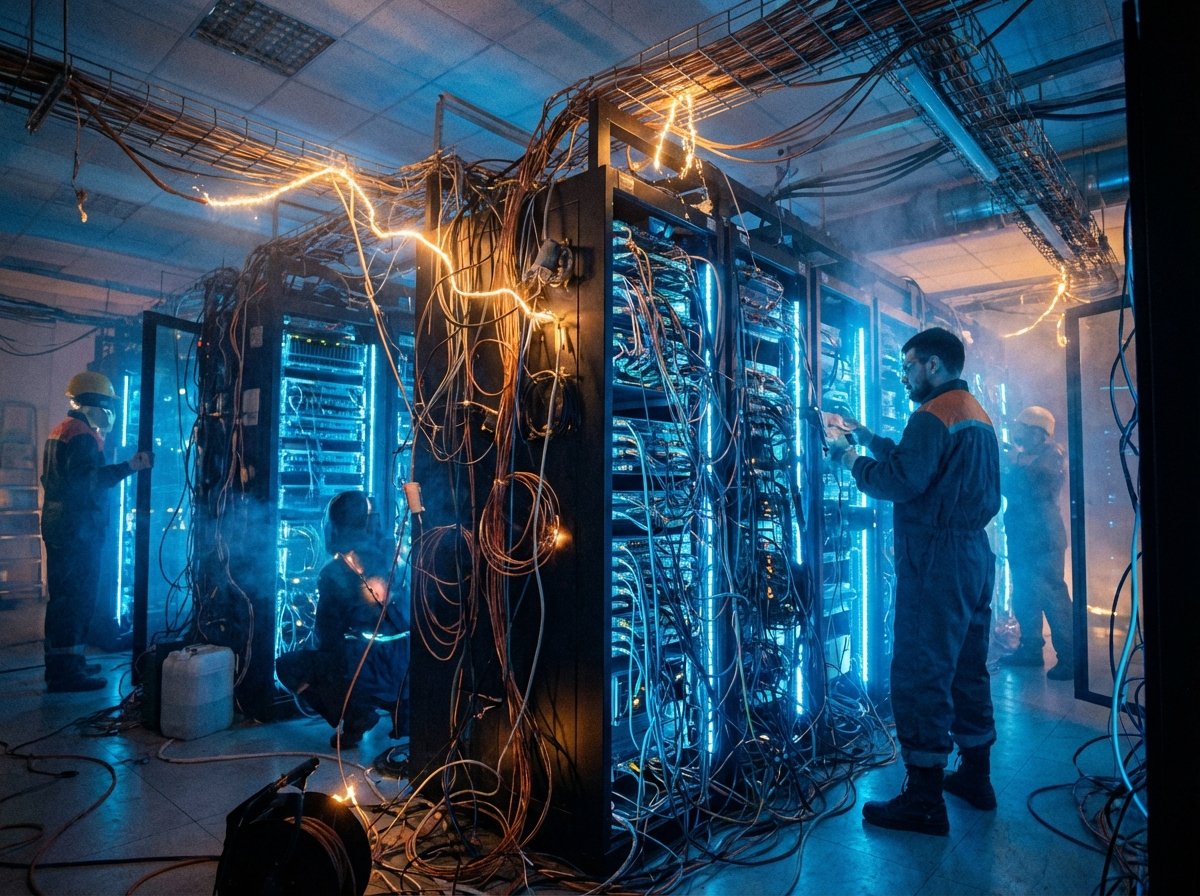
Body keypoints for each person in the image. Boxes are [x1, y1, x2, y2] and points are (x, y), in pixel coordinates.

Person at [827, 327, 1002, 835]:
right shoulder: (974, 413)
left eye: (907, 368)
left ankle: (923, 798)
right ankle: (976, 777)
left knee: (923, 669)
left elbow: (903, 480)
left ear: (931, 365)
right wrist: (863, 434)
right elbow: (917, 461)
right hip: (972, 554)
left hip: (936, 559)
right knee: (967, 668)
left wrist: (848, 460)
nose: (903, 378)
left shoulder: (930, 416)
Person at [40, 371, 154, 692]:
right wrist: (130, 467)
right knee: (75, 601)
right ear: (98, 403)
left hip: (60, 526)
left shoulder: (62, 430)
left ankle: (66, 663)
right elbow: (89, 483)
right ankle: (67, 674)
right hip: (77, 532)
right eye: (109, 404)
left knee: (63, 600)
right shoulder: (83, 436)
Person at [276, 490, 408, 749]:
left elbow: (328, 639)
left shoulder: (334, 572)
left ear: (334, 526)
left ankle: (356, 716)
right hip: (407, 664)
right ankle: (385, 709)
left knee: (288, 667)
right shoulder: (396, 557)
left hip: (370, 667)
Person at [1000, 406, 1073, 680]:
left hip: (1043, 540)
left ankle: (1070, 657)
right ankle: (1030, 650)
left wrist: (1014, 462)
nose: (1018, 433)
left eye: (1023, 428)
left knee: (1053, 597)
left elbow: (1032, 486)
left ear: (1038, 432)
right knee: (1025, 596)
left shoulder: (1052, 456)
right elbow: (1009, 488)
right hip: (1025, 539)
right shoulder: (1031, 457)